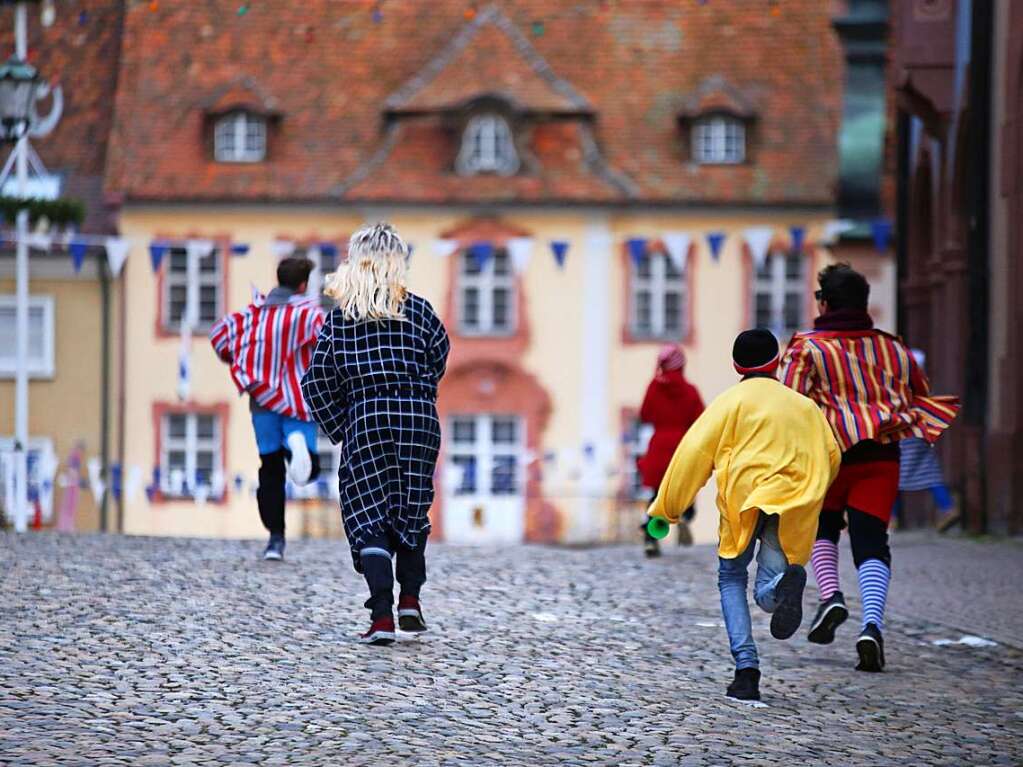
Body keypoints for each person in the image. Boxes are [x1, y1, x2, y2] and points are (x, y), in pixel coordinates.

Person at [782, 263, 959, 672]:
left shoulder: (807, 348)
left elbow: (790, 402)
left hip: (828, 455)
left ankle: (831, 597)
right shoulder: (894, 349)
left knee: (823, 529)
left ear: (824, 303)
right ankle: (872, 627)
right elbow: (920, 393)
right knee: (872, 542)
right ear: (863, 304)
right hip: (880, 457)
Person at [648, 329, 840, 701]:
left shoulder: (728, 403)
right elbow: (831, 457)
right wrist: (810, 493)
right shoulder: (805, 407)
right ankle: (779, 588)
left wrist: (666, 510)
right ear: (778, 362)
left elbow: (692, 455)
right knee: (768, 587)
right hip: (791, 503)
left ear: (736, 365)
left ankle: (746, 670)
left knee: (731, 577)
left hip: (744, 500)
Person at [301, 222, 449, 646]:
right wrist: (418, 392)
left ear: (355, 261)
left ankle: (382, 615)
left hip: (367, 414)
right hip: (419, 416)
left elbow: (317, 380)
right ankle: (412, 600)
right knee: (411, 506)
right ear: (397, 262)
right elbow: (440, 354)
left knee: (368, 513)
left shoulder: (342, 320)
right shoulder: (419, 311)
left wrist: (341, 424)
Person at [210, 257, 325, 561]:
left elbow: (220, 336)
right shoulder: (306, 313)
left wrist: (238, 360)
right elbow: (327, 340)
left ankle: (275, 540)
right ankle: (298, 448)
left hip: (261, 401)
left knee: (270, 470)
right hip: (299, 399)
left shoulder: (253, 314)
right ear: (303, 285)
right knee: (308, 470)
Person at [636, 345, 704, 556]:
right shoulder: (690, 390)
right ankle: (684, 515)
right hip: (683, 446)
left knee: (657, 498)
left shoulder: (654, 387)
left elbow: (644, 415)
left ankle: (651, 538)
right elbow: (701, 420)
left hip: (659, 446)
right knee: (685, 490)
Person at [894, 351, 960, 533]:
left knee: (895, 474)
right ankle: (947, 507)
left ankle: (890, 518)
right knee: (930, 472)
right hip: (922, 434)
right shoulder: (923, 385)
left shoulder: (899, 385)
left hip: (903, 434)